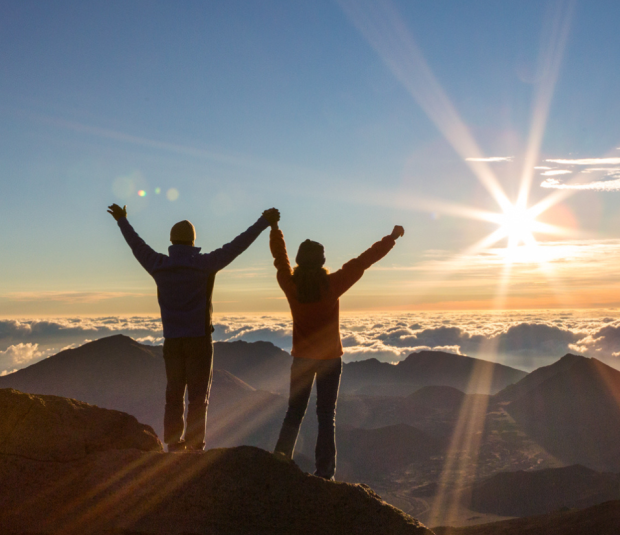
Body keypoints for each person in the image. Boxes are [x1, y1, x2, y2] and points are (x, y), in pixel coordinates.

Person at [108, 202, 280, 452]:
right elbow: (238, 245)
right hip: (199, 340)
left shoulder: (158, 264)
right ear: (192, 242)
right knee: (199, 397)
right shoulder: (204, 264)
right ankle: (195, 443)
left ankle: (173, 444)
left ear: (171, 241)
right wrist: (263, 222)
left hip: (172, 341)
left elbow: (137, 245)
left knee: (174, 394)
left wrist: (122, 220)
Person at [270, 219, 404, 479]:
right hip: (330, 359)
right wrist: (391, 238)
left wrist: (275, 229)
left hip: (301, 359)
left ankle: (279, 462)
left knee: (294, 412)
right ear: (322, 261)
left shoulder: (290, 285)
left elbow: (280, 259)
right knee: (325, 415)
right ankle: (325, 472)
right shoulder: (332, 285)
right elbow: (364, 260)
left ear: (299, 260)